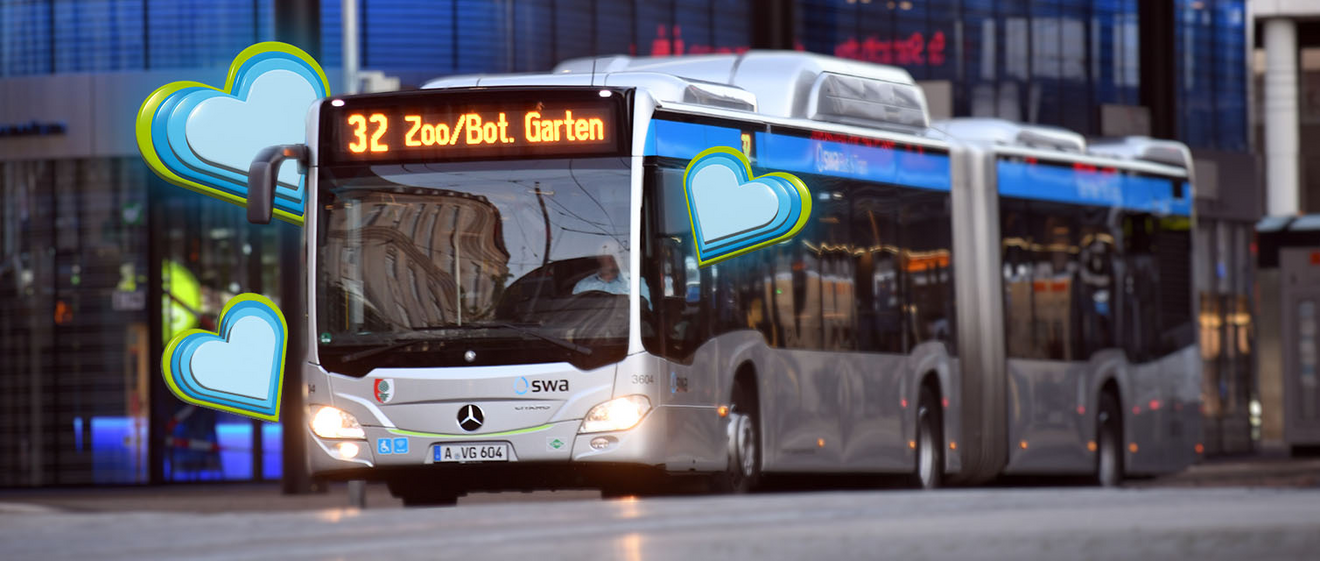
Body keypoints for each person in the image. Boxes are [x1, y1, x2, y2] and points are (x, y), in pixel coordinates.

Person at [573, 239, 651, 307]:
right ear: (599, 257)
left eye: (617, 253)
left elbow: (645, 313)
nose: (612, 257)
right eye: (608, 253)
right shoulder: (583, 286)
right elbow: (575, 314)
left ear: (621, 258)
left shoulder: (636, 283)